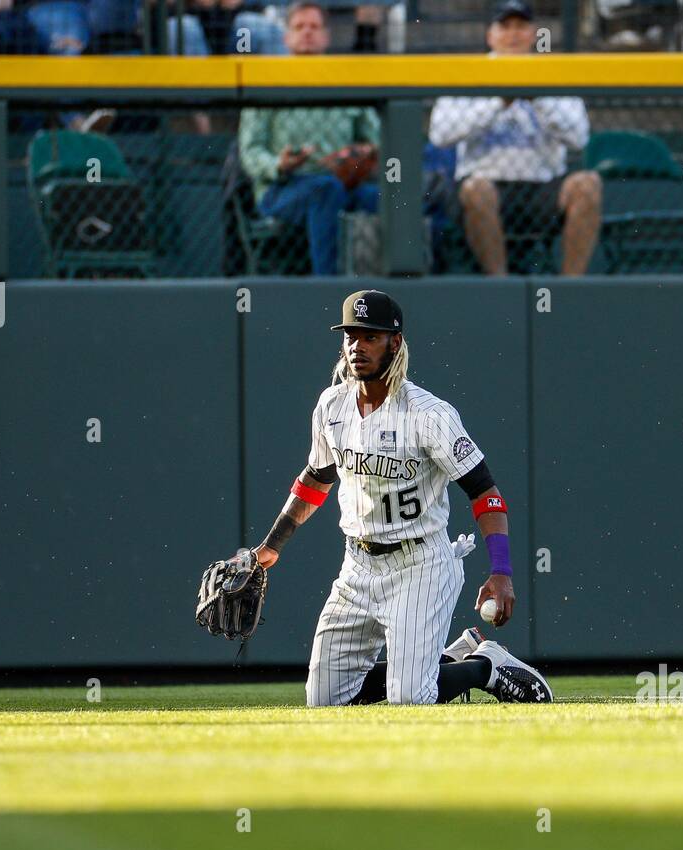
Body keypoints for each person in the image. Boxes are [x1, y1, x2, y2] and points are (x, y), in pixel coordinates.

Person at [248, 290, 554, 706]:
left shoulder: (428, 415)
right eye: (350, 336)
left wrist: (501, 570)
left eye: (370, 336)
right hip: (356, 567)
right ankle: (448, 658)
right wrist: (270, 547)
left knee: (410, 698)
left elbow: (485, 494)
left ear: (395, 343)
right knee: (323, 702)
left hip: (420, 566)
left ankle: (487, 667)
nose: (357, 346)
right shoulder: (331, 406)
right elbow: (316, 480)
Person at [428, 0, 601, 276]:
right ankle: (501, 284)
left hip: (543, 188)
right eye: (505, 26)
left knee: (588, 184)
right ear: (490, 35)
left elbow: (579, 138)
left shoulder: (554, 73)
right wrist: (498, 102)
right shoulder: (467, 72)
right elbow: (440, 135)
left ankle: (570, 287)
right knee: (476, 189)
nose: (513, 34)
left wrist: (538, 98)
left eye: (521, 26)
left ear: (533, 34)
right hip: (486, 185)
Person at [237, 2, 380, 275]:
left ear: (326, 36)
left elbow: (375, 139)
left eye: (314, 27)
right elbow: (250, 151)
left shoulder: (345, 81)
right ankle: (327, 288)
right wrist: (279, 165)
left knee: (385, 198)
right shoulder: (267, 82)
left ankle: (389, 285)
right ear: (286, 37)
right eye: (299, 27)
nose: (307, 33)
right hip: (282, 189)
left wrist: (362, 154)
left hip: (342, 183)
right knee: (324, 190)